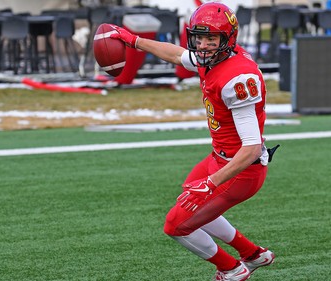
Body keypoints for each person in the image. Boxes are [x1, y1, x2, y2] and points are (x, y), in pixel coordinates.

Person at [110, 2, 279, 280]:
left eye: (210, 38)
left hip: (242, 169)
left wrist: (212, 182)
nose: (202, 45)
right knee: (190, 201)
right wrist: (134, 41)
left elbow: (250, 148)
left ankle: (231, 269)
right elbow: (177, 55)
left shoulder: (236, 77)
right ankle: (253, 254)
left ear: (228, 39)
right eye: (199, 38)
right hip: (220, 156)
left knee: (176, 225)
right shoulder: (213, 56)